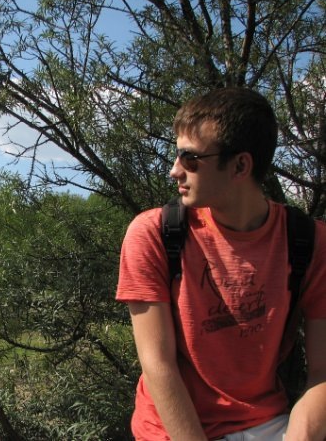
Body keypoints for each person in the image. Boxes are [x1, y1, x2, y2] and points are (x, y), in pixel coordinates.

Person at [115, 87, 326, 440]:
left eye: (190, 158)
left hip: (266, 423)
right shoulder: (154, 234)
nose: (175, 171)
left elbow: (322, 372)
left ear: (241, 165)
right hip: (172, 429)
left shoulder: (309, 241)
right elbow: (158, 365)